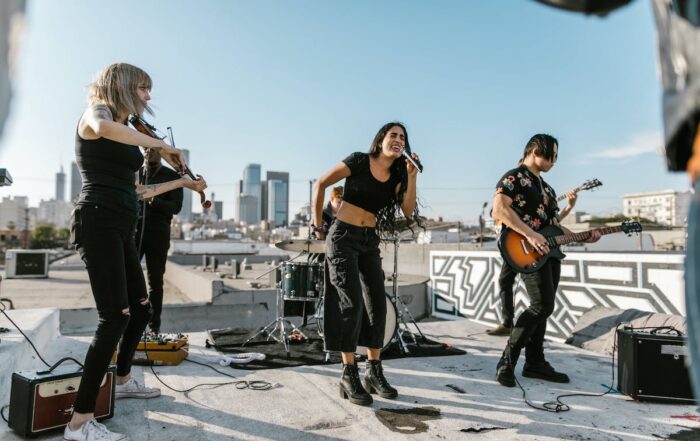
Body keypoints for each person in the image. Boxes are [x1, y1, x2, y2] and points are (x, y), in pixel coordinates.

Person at [65, 63, 206, 441]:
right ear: (124, 86)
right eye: (143, 88)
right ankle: (78, 423)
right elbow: (101, 128)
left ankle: (124, 380)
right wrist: (158, 144)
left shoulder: (128, 132)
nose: (147, 97)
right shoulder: (99, 111)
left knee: (141, 309)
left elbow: (138, 192)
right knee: (113, 317)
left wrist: (181, 182)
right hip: (97, 221)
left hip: (120, 224)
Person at [312, 122, 420, 406]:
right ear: (381, 139)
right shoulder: (360, 160)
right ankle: (349, 373)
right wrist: (316, 224)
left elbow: (407, 211)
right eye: (393, 135)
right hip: (343, 237)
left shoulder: (398, 174)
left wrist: (411, 176)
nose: (398, 140)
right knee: (351, 304)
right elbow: (321, 183)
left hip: (368, 241)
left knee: (377, 305)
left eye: (402, 138)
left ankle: (374, 371)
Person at [491, 134, 600, 388]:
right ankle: (507, 361)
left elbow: (553, 226)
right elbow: (499, 210)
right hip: (526, 249)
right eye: (551, 155)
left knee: (546, 307)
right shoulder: (513, 177)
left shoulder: (548, 189)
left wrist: (584, 236)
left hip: (549, 253)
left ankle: (536, 362)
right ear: (534, 150)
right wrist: (530, 234)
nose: (554, 161)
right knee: (541, 305)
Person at [487, 188, 578, 336]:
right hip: (512, 251)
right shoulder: (504, 212)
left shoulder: (528, 210)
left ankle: (523, 330)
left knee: (539, 300)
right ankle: (507, 323)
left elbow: (553, 225)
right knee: (505, 282)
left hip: (529, 250)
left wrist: (569, 207)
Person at [136, 148, 183, 335]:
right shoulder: (137, 174)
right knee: (127, 278)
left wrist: (153, 199)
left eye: (152, 150)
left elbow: (176, 207)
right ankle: (131, 323)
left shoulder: (172, 177)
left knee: (155, 283)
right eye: (145, 150)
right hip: (135, 233)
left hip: (158, 235)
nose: (148, 153)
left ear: (160, 154)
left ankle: (154, 327)